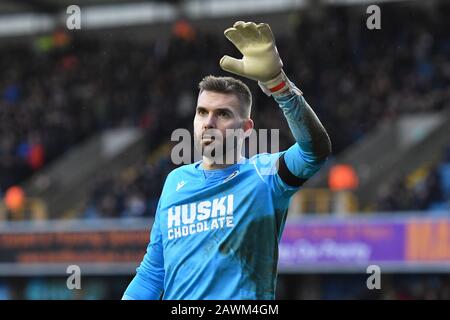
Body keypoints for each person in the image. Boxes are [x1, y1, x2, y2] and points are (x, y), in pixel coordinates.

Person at [122, 21, 331, 300]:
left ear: (246, 128)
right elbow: (152, 273)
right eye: (202, 112)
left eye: (222, 114)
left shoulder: (264, 177)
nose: (208, 122)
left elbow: (313, 151)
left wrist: (279, 86)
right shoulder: (176, 182)